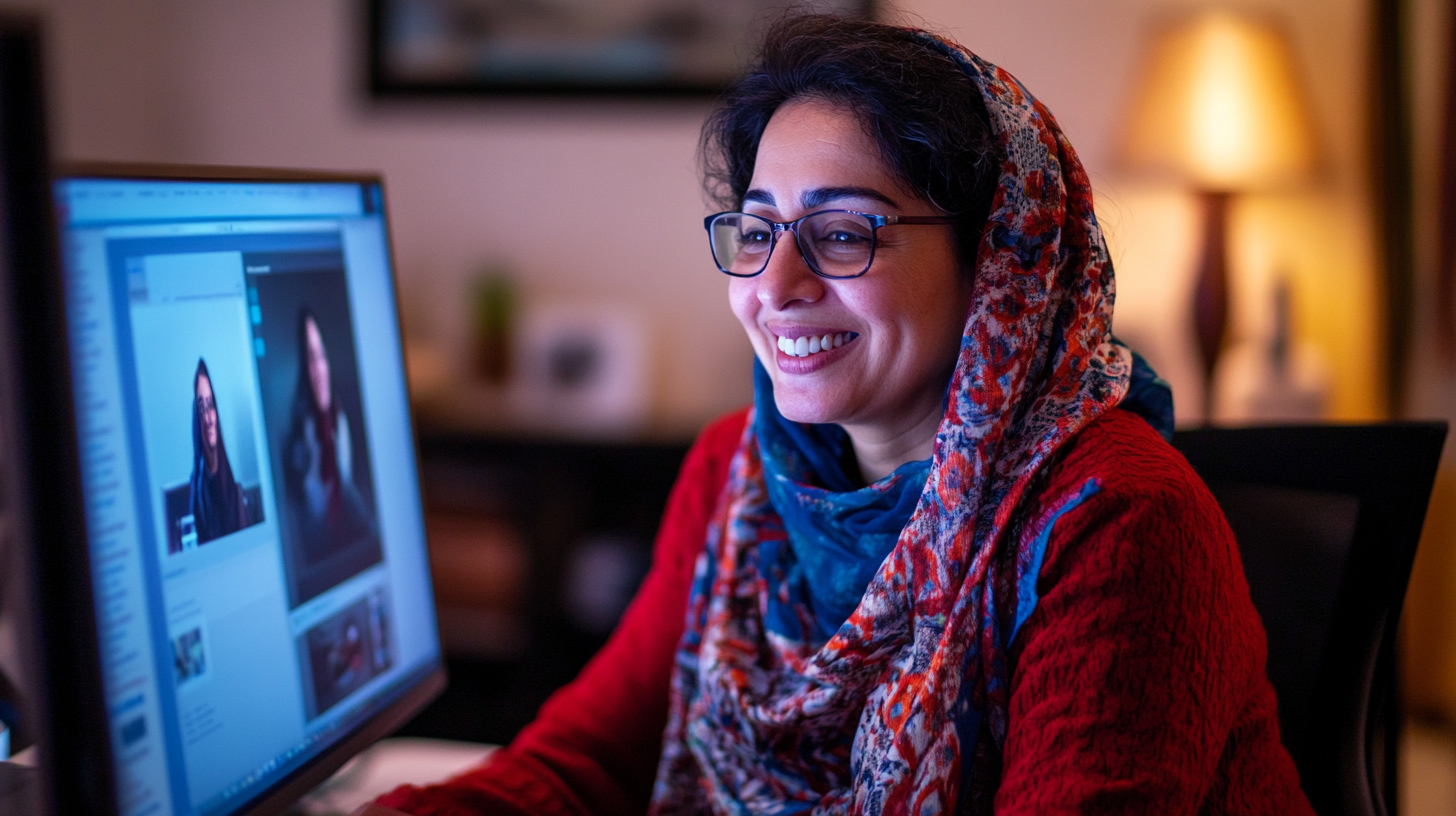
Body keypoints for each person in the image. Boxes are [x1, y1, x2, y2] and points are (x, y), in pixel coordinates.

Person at [378, 14, 1312, 815]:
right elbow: (584, 767)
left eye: (842, 232)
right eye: (757, 229)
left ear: (997, 261)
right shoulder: (739, 470)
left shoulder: (1113, 518)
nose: (774, 287)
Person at [285, 308, 374, 564]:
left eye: (321, 355)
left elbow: (344, 485)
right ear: (304, 368)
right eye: (311, 358)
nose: (319, 368)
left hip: (345, 543)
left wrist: (368, 526)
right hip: (318, 555)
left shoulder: (339, 418)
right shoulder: (299, 439)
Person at [188, 358, 249, 544]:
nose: (208, 419)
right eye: (201, 407)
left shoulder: (234, 488)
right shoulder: (197, 488)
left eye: (211, 405)